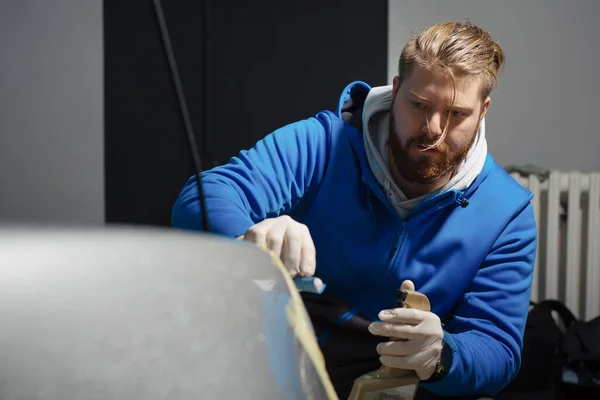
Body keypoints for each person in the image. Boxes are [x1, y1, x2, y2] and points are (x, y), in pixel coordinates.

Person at [171, 20, 537, 400]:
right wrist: (251, 236)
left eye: (457, 114)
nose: (434, 130)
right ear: (396, 91)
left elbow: (497, 349)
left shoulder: (507, 214)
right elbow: (203, 195)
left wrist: (441, 355)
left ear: (483, 111)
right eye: (419, 105)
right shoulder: (322, 143)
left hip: (400, 381)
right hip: (287, 355)